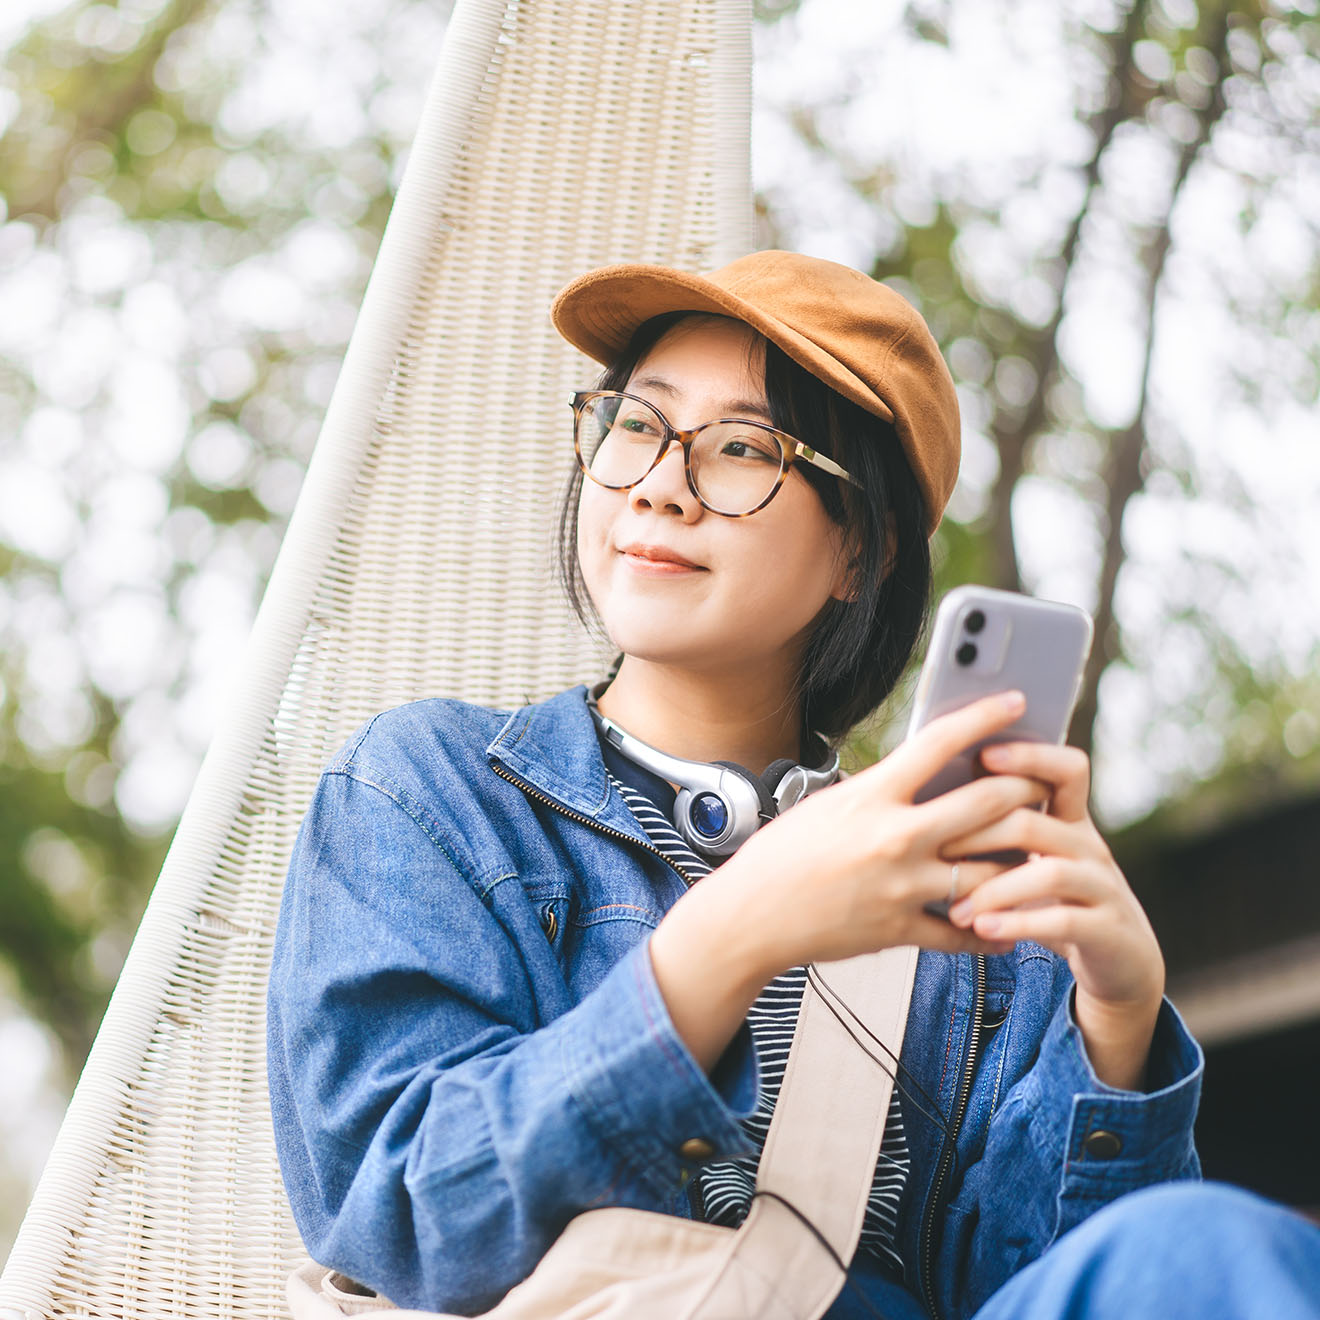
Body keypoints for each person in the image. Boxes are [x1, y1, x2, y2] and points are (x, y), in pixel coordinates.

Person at [267, 251, 1320, 1319]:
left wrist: (1119, 1025)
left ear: (859, 551)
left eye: (741, 449)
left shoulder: (969, 909)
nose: (663, 483)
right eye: (636, 424)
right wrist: (738, 931)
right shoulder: (432, 794)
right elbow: (396, 1213)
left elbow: (1046, 1290)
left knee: (1202, 1250)